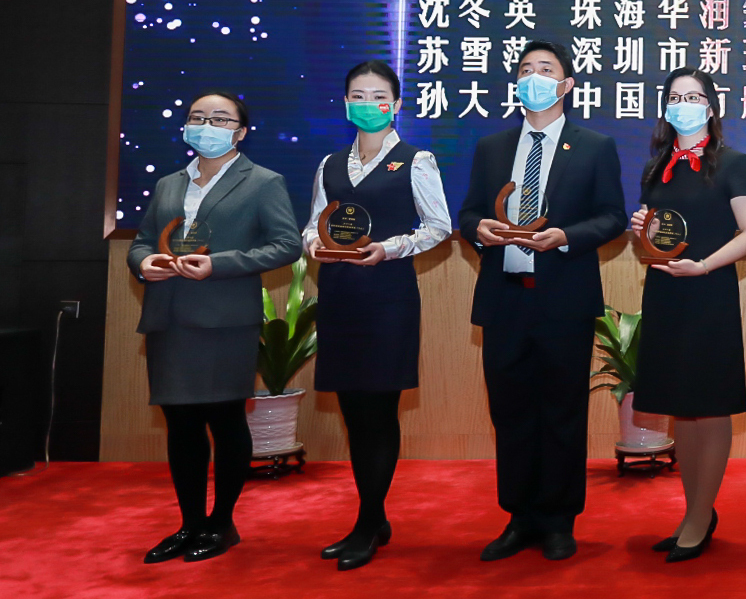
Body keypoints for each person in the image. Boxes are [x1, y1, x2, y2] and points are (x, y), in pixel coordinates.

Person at [458, 39, 628, 562]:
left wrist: (566, 236)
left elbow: (612, 217)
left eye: (546, 69)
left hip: (563, 300)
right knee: (509, 412)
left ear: (566, 84)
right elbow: (468, 213)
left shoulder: (594, 145)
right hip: (505, 297)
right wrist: (479, 230)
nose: (534, 76)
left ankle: (558, 519)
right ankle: (519, 517)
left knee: (561, 412)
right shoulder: (492, 147)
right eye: (526, 69)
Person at [128, 91, 300, 563]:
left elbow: (286, 245)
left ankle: (222, 522)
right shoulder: (168, 184)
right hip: (169, 317)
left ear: (240, 131)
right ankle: (190, 524)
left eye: (220, 119)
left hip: (225, 320)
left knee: (225, 421)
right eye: (197, 117)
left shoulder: (263, 182)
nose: (207, 125)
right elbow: (141, 242)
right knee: (181, 424)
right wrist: (146, 263)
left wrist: (218, 264)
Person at [300, 60, 451, 571]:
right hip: (340, 296)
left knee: (379, 412)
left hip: (388, 298)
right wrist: (312, 244)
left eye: (378, 96)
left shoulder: (415, 159)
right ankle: (374, 518)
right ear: (345, 104)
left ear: (397, 104)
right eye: (358, 96)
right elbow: (313, 223)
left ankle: (367, 523)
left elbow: (438, 227)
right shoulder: (329, 164)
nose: (368, 104)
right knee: (352, 412)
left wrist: (389, 248)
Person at [631, 67, 746, 563]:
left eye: (694, 96)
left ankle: (700, 515)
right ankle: (695, 514)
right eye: (675, 96)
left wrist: (704, 265)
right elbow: (654, 241)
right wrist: (641, 231)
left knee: (710, 405)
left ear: (711, 107)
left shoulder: (733, 162)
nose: (683, 104)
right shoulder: (657, 167)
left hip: (709, 292)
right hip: (666, 295)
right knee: (680, 406)